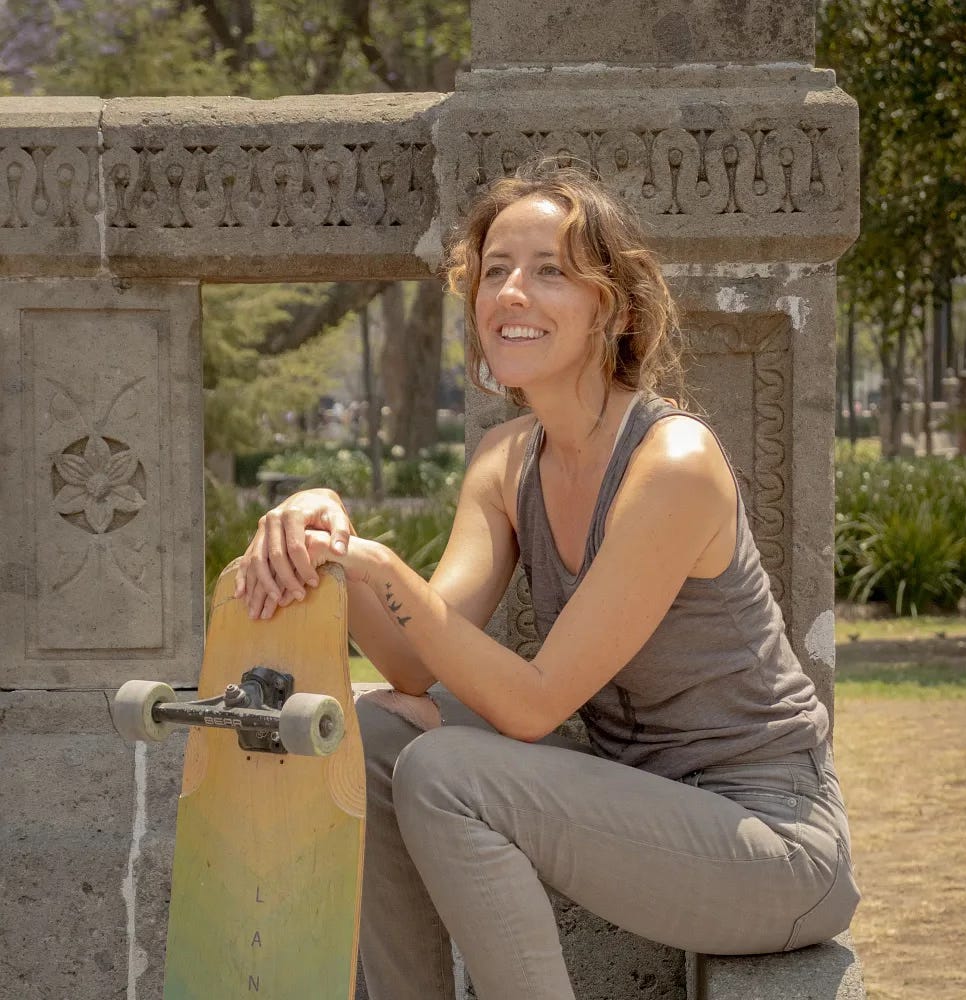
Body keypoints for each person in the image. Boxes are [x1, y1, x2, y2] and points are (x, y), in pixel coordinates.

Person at [235, 164, 859, 1000]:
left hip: (775, 847)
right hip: (635, 808)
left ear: (616, 308)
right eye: (495, 271)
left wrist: (379, 565)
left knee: (446, 770)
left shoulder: (672, 463)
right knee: (371, 732)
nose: (512, 292)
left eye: (550, 270)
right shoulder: (505, 461)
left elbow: (531, 705)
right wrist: (332, 538)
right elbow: (417, 662)